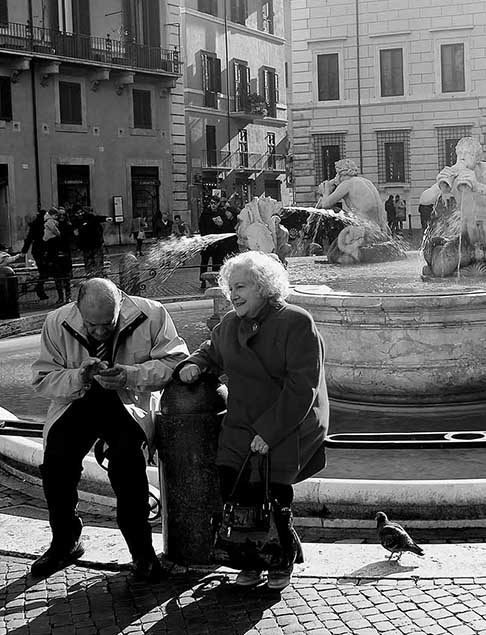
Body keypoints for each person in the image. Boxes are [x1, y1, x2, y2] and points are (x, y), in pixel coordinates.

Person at [176, 251, 328, 591]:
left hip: (286, 424)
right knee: (235, 491)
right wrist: (195, 364)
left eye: (241, 287)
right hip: (241, 423)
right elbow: (212, 350)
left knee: (273, 497)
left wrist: (270, 432)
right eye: (231, 288)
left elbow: (303, 387)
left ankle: (279, 559)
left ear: (264, 286)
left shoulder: (296, 321)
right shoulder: (231, 323)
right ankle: (249, 558)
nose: (234, 295)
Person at [30, 278, 190, 581]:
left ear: (121, 304)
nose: (100, 332)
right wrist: (79, 377)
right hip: (76, 401)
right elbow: (42, 379)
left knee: (127, 466)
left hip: (128, 402)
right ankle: (65, 542)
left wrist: (130, 375)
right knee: (56, 464)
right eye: (92, 325)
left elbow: (177, 363)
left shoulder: (152, 313)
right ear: (78, 308)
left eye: (109, 324)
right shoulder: (56, 321)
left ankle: (141, 552)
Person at [419, 137, 486, 276]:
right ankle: (440, 248)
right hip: (467, 238)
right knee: (440, 269)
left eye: (468, 154)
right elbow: (424, 199)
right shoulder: (454, 175)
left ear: (478, 158)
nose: (463, 158)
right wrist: (439, 187)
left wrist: (479, 187)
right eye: (460, 154)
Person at [43, 208, 73, 305]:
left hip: (65, 254)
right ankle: (60, 297)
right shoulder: (54, 224)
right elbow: (48, 241)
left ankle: (68, 297)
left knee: (66, 278)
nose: (62, 217)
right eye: (60, 215)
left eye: (63, 215)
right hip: (54, 255)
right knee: (57, 278)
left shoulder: (67, 226)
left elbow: (70, 239)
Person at [21, 209, 50, 300]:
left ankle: (39, 288)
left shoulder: (36, 225)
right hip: (41, 250)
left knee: (44, 271)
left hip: (38, 250)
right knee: (44, 271)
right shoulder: (41, 225)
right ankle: (39, 288)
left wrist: (24, 250)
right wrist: (24, 251)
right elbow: (29, 239)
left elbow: (29, 239)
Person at [76, 206, 108, 277]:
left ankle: (91, 276)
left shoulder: (82, 220)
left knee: (90, 263)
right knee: (97, 263)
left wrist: (79, 246)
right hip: (95, 245)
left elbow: (79, 234)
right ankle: (98, 276)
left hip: (88, 246)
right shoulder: (93, 219)